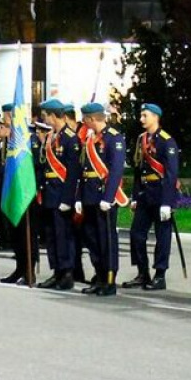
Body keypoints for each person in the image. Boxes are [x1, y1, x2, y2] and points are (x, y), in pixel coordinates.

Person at [123, 103, 179, 291]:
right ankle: (142, 272)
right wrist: (135, 196)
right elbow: (139, 169)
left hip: (161, 192)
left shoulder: (166, 140)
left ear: (156, 117)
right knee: (136, 233)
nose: (141, 119)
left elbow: (171, 173)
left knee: (163, 236)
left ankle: (160, 274)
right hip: (145, 193)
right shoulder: (141, 140)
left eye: (145, 115)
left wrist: (167, 202)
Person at [77, 102, 127, 297]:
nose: (83, 122)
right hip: (89, 195)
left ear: (91, 119)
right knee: (92, 240)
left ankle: (109, 280)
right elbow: (84, 170)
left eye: (85, 119)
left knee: (106, 240)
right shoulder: (89, 138)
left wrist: (109, 197)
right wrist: (79, 196)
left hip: (104, 196)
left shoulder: (114, 138)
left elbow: (115, 171)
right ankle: (98, 277)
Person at [36, 99, 80, 290]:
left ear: (53, 116)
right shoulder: (50, 137)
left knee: (64, 236)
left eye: (46, 116)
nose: (45, 119)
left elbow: (73, 172)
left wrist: (67, 198)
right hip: (49, 192)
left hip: (61, 194)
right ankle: (56, 271)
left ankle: (67, 272)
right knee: (51, 236)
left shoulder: (71, 138)